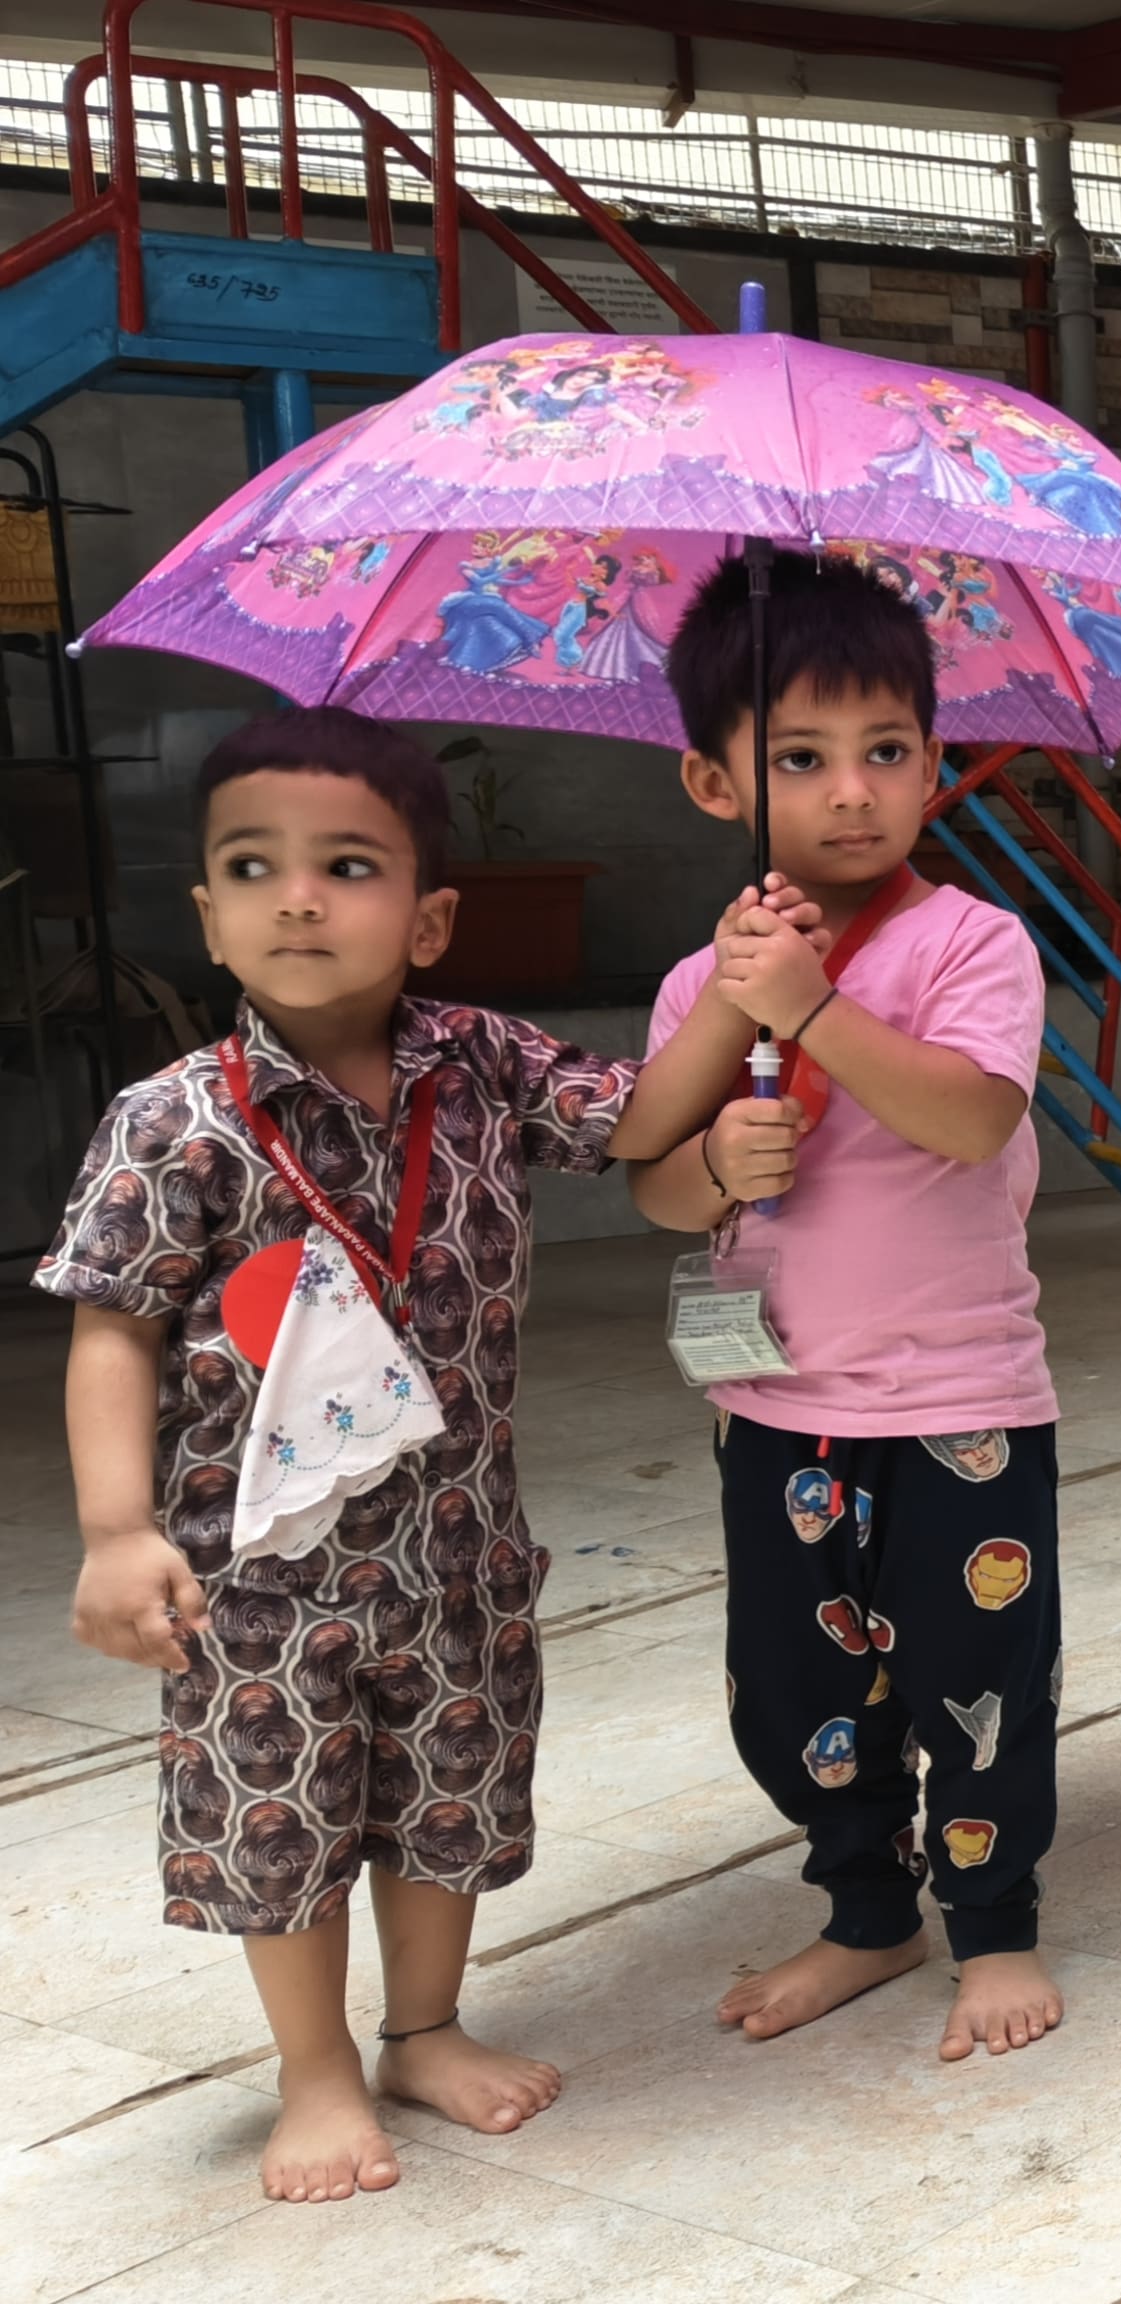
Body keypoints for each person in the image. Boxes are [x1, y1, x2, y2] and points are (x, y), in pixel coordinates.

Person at [41, 708, 727, 2201]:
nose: (300, 897)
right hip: (258, 1575)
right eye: (255, 866)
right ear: (208, 915)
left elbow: (647, 1120)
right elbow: (113, 1330)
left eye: (347, 866)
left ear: (428, 920)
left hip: (460, 1549)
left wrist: (743, 993)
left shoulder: (483, 1062)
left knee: (450, 1798)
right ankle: (316, 2070)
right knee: (281, 1819)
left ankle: (424, 2030)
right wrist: (112, 1533)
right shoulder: (175, 1122)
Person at [623, 551, 1070, 2059]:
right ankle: (868, 1913)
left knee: (972, 1674)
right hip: (777, 1399)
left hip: (958, 1399)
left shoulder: (971, 944)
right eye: (800, 760)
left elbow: (966, 1117)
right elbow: (648, 1179)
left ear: (934, 763)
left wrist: (816, 1009)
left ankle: (992, 1922)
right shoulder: (707, 976)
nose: (854, 793)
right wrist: (716, 1162)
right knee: (799, 1683)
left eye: (888, 752)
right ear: (709, 780)